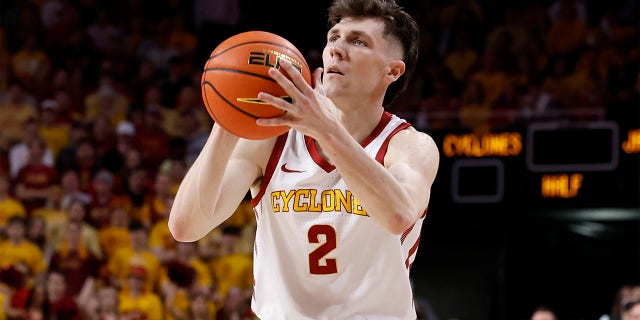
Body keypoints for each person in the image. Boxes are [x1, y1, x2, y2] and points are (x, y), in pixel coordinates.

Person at [168, 0, 440, 318]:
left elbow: (397, 217)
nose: (337, 48)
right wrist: (228, 117)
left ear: (392, 70)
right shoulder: (271, 139)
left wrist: (328, 131)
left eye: (357, 41)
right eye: (333, 38)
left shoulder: (408, 145)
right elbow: (186, 227)